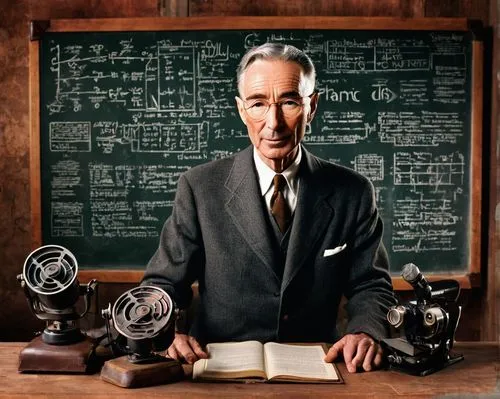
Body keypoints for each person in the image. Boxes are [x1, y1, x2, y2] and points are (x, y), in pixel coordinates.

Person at [141, 42, 396, 373]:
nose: (273, 123)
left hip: (320, 364)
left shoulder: (353, 192)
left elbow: (371, 285)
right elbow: (163, 283)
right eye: (258, 103)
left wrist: (364, 331)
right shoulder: (199, 188)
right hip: (216, 369)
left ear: (312, 106)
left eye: (289, 102)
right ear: (241, 109)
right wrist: (165, 332)